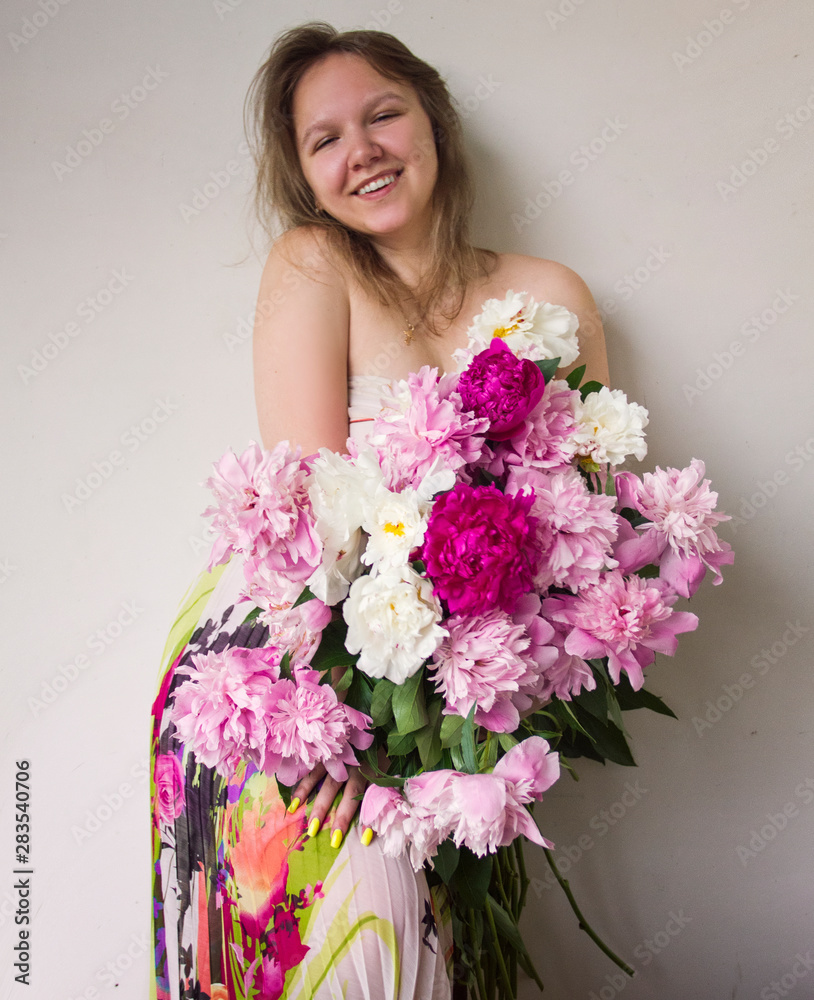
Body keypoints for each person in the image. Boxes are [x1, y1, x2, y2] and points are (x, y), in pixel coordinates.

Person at [149, 20, 609, 1000]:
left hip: (463, 698)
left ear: (433, 120)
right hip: (287, 679)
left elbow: (586, 538)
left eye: (383, 115)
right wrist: (348, 725)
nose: (360, 150)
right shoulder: (315, 265)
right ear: (306, 177)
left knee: (430, 956)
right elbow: (311, 521)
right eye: (325, 139)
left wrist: (460, 727)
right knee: (358, 943)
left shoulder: (551, 296)